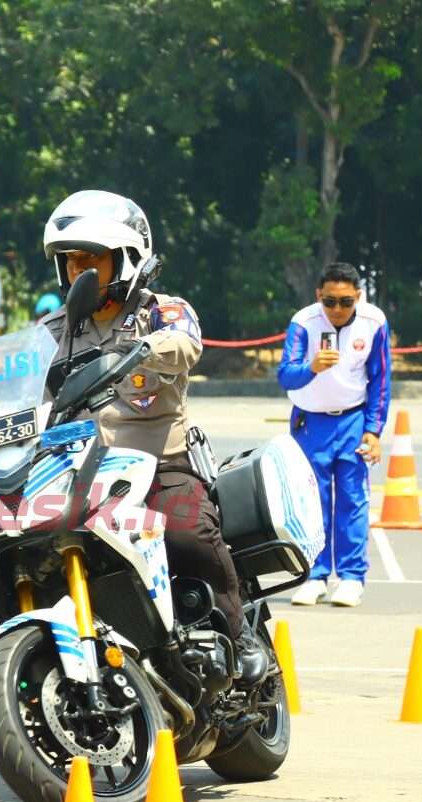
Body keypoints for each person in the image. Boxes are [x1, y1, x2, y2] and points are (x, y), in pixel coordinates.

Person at [38, 189, 265, 684]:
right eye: (72, 262)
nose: (81, 272)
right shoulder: (54, 331)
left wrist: (139, 349)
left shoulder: (163, 312)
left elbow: (186, 346)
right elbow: (16, 385)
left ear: (126, 260)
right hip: (78, 473)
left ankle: (239, 631)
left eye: (92, 259)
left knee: (188, 535)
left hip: (158, 465)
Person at [277, 262, 391, 607]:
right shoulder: (304, 323)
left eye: (345, 302)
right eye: (329, 302)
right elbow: (286, 376)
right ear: (318, 297)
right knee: (313, 502)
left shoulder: (374, 322)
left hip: (353, 421)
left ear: (358, 296)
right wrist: (312, 367)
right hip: (310, 422)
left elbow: (381, 380)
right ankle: (315, 575)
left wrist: (374, 430)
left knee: (353, 499)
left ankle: (352, 577)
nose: (337, 310)